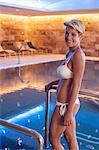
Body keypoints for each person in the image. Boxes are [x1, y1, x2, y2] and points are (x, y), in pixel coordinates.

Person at [45, 19, 86, 150]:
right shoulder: (70, 52)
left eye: (73, 34)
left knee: (53, 139)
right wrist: (52, 83)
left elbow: (76, 85)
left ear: (80, 36)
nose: (69, 37)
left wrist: (68, 112)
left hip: (67, 105)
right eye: (67, 33)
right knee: (70, 138)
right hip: (64, 103)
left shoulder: (78, 55)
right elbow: (67, 78)